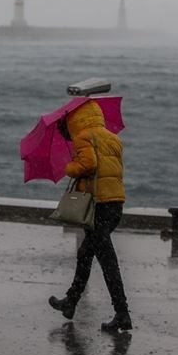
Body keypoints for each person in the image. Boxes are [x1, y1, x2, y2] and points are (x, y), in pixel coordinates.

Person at [48, 100, 132, 332]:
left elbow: (88, 164)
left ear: (76, 119)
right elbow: (110, 169)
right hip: (115, 204)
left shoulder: (83, 137)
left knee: (107, 261)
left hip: (98, 206)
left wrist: (69, 167)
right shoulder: (112, 137)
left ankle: (122, 313)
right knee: (86, 253)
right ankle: (71, 302)